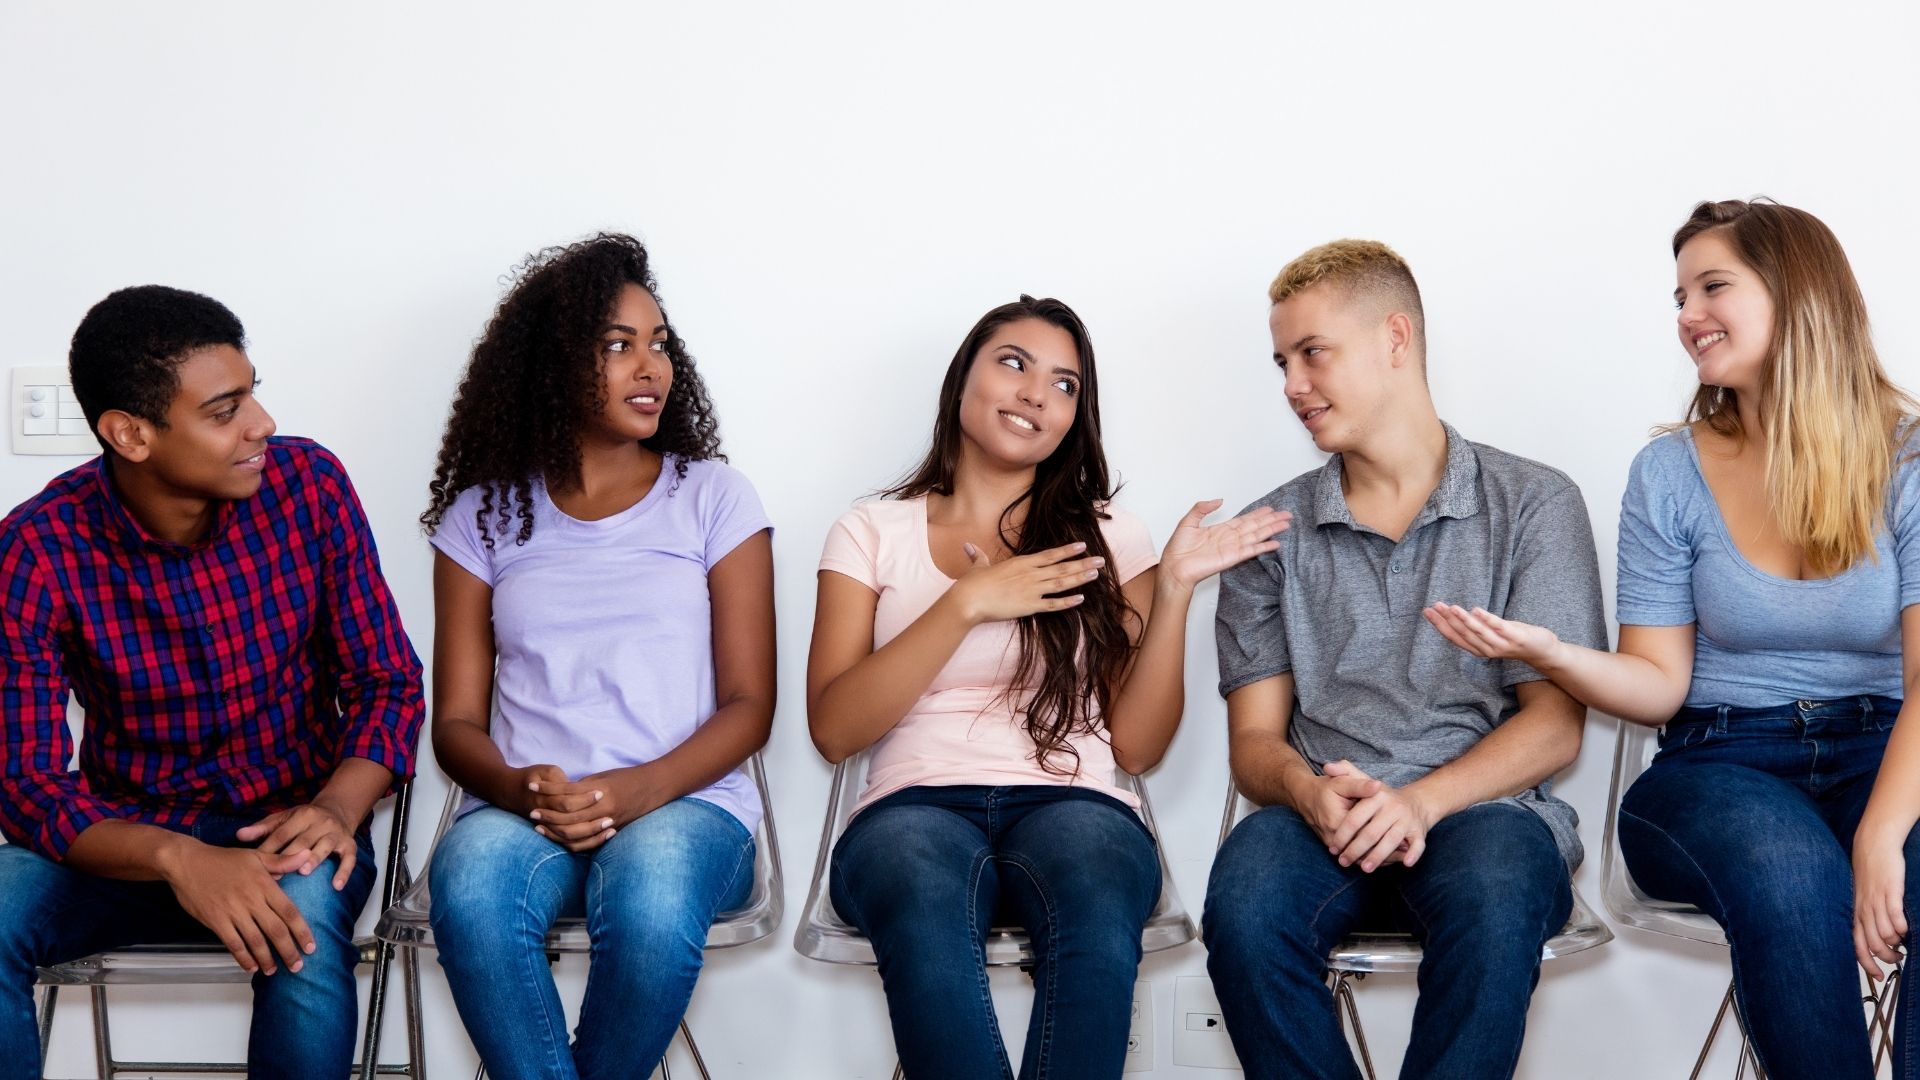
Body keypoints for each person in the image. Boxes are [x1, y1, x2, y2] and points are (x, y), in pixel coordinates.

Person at [1427, 199, 1920, 1080]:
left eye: (1713, 286)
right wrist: (1553, 654)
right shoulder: (1670, 472)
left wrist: (1883, 836)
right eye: (1681, 293)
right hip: (1719, 762)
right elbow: (1659, 683)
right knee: (1789, 871)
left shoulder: (1909, 462)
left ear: (1798, 294)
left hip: (1889, 749)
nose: (1688, 315)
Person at [807, 295, 1287, 1079]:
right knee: (920, 898)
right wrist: (966, 604)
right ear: (963, 377)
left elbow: (1136, 743)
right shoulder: (870, 530)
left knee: (1096, 891)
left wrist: (1172, 593)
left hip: (1074, 800)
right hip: (912, 805)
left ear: (1076, 417)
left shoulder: (1109, 538)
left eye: (1065, 384)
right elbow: (833, 728)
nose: (1036, 393)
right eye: (1013, 363)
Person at [0, 285, 425, 1080]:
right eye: (225, 410)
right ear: (130, 433)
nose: (261, 424)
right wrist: (174, 857)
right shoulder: (37, 550)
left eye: (253, 394)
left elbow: (387, 683)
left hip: (290, 827)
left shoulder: (310, 487)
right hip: (128, 845)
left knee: (298, 928)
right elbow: (24, 786)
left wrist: (334, 808)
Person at [1205, 240, 1606, 1080]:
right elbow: (1254, 745)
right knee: (1243, 908)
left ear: (1396, 338)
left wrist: (1420, 803)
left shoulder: (1533, 502)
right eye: (1281, 361)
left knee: (1498, 898)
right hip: (1322, 817)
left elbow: (1555, 727)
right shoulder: (1267, 534)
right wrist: (1310, 793)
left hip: (1483, 813)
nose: (1291, 386)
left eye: (1313, 353)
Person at [420, 233, 775, 1080]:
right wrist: (519, 787)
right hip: (522, 813)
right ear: (550, 365)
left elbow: (749, 705)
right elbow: (458, 724)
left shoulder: (713, 499)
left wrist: (636, 789)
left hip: (684, 808)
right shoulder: (483, 517)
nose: (650, 367)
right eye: (618, 346)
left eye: (659, 345)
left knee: (651, 905)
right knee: (469, 895)